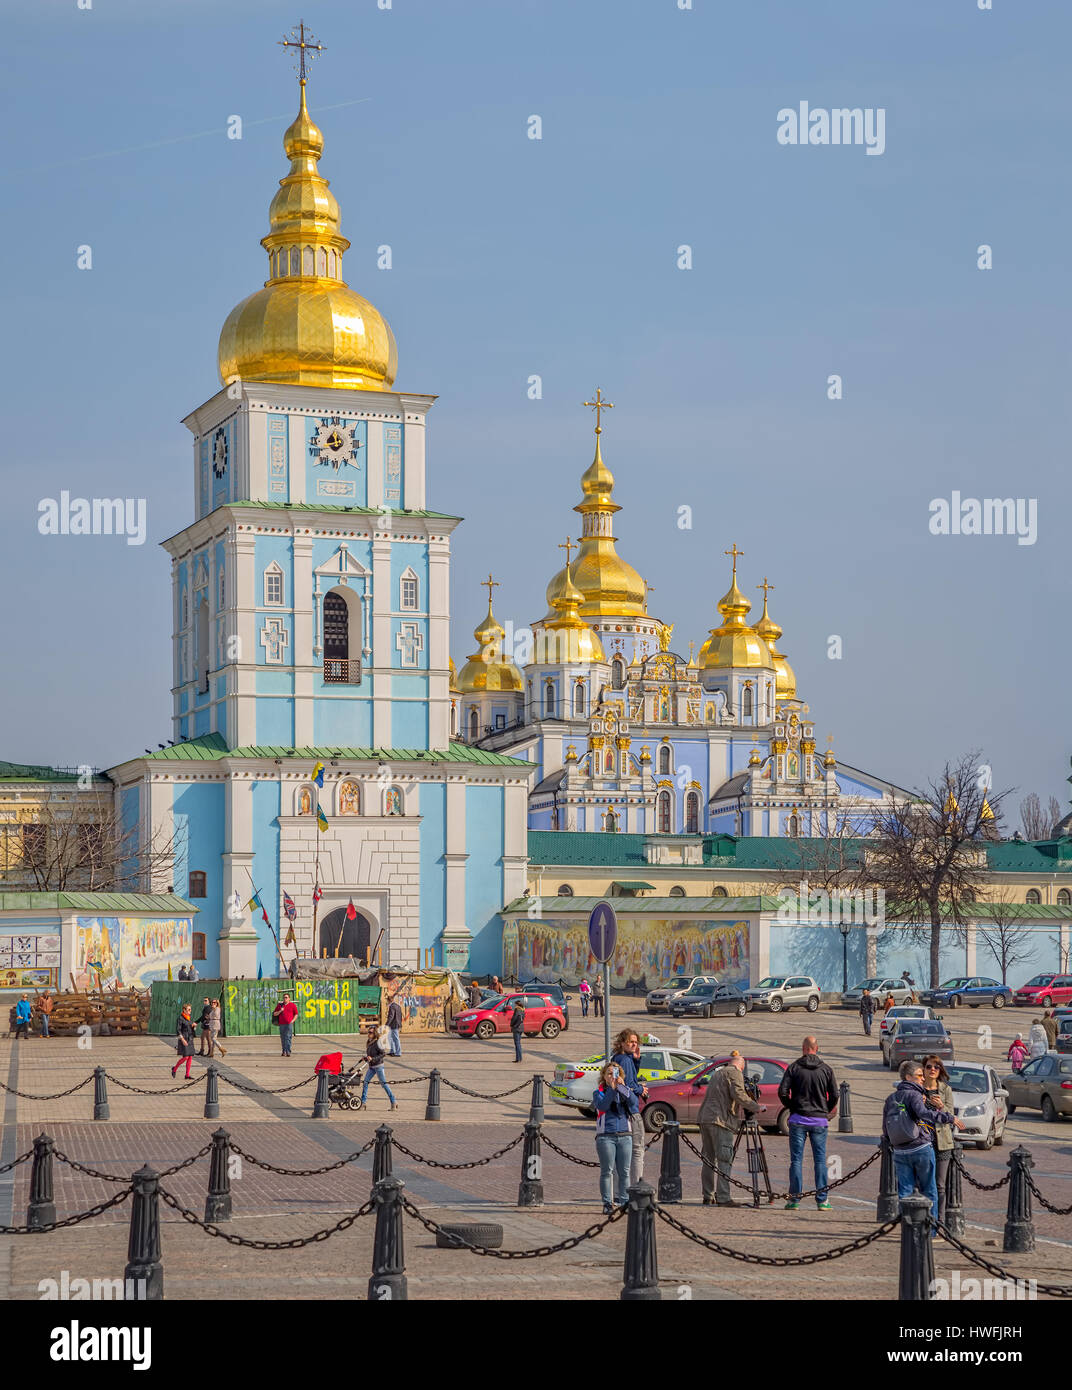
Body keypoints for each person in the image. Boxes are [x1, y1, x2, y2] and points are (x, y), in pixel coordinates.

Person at [882, 1060, 963, 1227]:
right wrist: (949, 1118)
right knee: (929, 1189)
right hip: (920, 1148)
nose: (922, 1079)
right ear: (908, 1077)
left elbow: (885, 1127)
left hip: (900, 1151)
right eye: (919, 1075)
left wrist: (894, 1143)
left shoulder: (891, 1098)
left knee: (905, 1191)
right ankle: (931, 1229)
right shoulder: (914, 1095)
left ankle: (908, 1228)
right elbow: (924, 1114)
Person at [778, 1036, 838, 1211]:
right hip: (819, 1120)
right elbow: (835, 1094)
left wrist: (792, 1107)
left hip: (798, 1119)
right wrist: (825, 1110)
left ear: (803, 1048)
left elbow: (782, 1091)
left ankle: (794, 1200)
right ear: (816, 1048)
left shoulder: (794, 1068)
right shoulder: (826, 1069)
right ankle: (822, 1200)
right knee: (820, 1160)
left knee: (796, 1160)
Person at [697, 1050, 760, 1207]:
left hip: (706, 1118)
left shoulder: (718, 1073)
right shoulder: (735, 1073)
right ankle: (724, 1197)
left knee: (708, 1159)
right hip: (721, 1120)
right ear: (741, 1066)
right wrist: (756, 1107)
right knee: (724, 1158)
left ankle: (708, 1195)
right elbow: (739, 1094)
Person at [593, 1061, 638, 1214]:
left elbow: (634, 1103)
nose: (613, 1077)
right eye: (609, 1074)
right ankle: (607, 1203)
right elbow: (603, 1106)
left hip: (625, 1135)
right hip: (606, 1136)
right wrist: (612, 1090)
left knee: (624, 1171)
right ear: (604, 1077)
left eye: (616, 1074)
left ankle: (624, 1201)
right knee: (607, 1171)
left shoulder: (623, 1090)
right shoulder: (598, 1092)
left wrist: (623, 1088)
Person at [921, 1056, 957, 1227]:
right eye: (929, 1067)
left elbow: (951, 1115)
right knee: (923, 1182)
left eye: (936, 1067)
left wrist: (941, 1106)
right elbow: (903, 1109)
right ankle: (923, 1219)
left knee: (939, 1184)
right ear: (924, 1070)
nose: (932, 1070)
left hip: (942, 1142)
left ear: (940, 1070)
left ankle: (939, 1221)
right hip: (921, 1142)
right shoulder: (917, 1089)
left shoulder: (945, 1089)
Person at [611, 1029, 649, 1190]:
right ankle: (636, 1186)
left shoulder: (617, 1059)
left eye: (636, 1042)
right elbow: (629, 1085)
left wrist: (637, 1060)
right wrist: (641, 1090)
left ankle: (619, 1190)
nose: (634, 1044)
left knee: (620, 1155)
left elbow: (621, 1080)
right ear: (622, 1043)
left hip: (618, 1112)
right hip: (631, 1111)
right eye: (631, 1042)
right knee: (637, 1151)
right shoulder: (625, 1060)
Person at [358, 1025, 397, 1110]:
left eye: (371, 1032)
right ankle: (363, 1102)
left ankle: (393, 1101)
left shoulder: (378, 1042)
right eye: (368, 1032)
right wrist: (365, 1058)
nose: (369, 1034)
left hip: (378, 1066)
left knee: (384, 1084)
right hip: (371, 1066)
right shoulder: (369, 1042)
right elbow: (370, 1055)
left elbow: (383, 1054)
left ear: (374, 1033)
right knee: (365, 1082)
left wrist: (373, 1059)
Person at [171, 1004, 196, 1079]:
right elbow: (178, 1030)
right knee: (185, 1057)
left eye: (190, 1009)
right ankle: (174, 1069)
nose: (190, 1011)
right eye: (188, 1009)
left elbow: (191, 1029)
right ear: (184, 1010)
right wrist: (182, 1039)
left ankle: (187, 1075)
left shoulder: (189, 1018)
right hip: (184, 1039)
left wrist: (194, 1027)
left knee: (190, 1057)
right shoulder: (180, 1018)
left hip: (190, 1039)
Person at [510, 996, 525, 1062]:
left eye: (514, 1004)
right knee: (518, 1043)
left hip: (517, 1028)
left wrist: (513, 1025)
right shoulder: (522, 1010)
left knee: (517, 1044)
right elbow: (522, 1019)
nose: (514, 1006)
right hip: (521, 1028)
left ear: (516, 1004)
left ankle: (518, 1059)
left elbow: (516, 1018)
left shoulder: (517, 1009)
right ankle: (519, 1058)